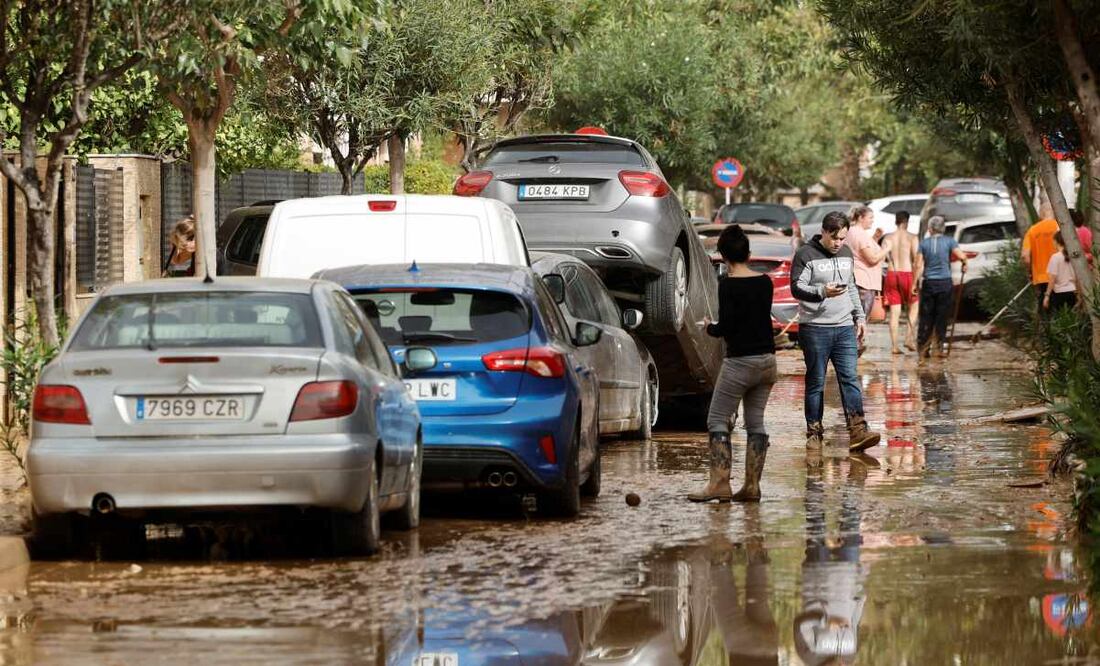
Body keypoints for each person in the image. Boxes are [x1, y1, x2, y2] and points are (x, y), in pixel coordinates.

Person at [689, 225, 777, 503]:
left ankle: (719, 484)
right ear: (748, 254)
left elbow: (726, 326)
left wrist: (709, 328)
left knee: (717, 420)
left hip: (740, 363)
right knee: (755, 423)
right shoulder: (766, 282)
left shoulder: (727, 285)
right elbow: (754, 319)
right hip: (768, 362)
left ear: (723, 257)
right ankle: (752, 486)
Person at [790, 211, 880, 454]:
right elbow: (796, 288)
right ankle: (815, 432)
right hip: (815, 329)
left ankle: (858, 430)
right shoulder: (805, 254)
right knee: (816, 382)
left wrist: (859, 317)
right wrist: (822, 291)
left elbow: (851, 286)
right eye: (835, 238)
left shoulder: (846, 253)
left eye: (842, 238)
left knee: (850, 378)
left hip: (843, 329)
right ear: (824, 231)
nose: (838, 243)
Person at [912, 215, 968, 358]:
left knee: (926, 316)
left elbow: (918, 265)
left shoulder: (924, 243)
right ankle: (939, 347)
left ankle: (923, 347)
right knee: (942, 316)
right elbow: (961, 256)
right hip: (945, 283)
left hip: (929, 283)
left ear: (930, 229)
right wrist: (964, 264)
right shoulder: (950, 242)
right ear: (942, 229)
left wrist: (914, 283)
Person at [846, 205, 891, 349]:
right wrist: (886, 249)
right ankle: (854, 351)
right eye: (870, 217)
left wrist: (875, 237)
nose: (872, 221)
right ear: (860, 218)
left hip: (858, 280)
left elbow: (862, 251)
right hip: (864, 282)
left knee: (855, 320)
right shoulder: (859, 234)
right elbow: (871, 258)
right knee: (860, 321)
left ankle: (852, 349)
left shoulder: (853, 232)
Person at [883, 211, 920, 355]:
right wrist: (915, 282)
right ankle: (908, 339)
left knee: (894, 312)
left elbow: (884, 257)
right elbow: (917, 260)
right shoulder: (912, 237)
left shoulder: (888, 237)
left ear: (896, 221)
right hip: (907, 273)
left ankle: (894, 346)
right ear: (907, 222)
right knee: (914, 307)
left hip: (892, 274)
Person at [1021, 204, 1060, 311]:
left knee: (1046, 311)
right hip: (1062, 276)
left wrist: (1030, 272)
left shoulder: (1032, 230)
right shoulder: (1060, 227)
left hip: (1042, 277)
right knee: (1064, 311)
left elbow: (1025, 256)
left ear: (1040, 213)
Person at [1043, 231, 1078, 312]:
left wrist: (1047, 295)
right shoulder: (1073, 255)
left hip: (1059, 293)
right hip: (1073, 292)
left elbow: (1052, 278)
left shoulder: (1055, 257)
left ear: (1056, 241)